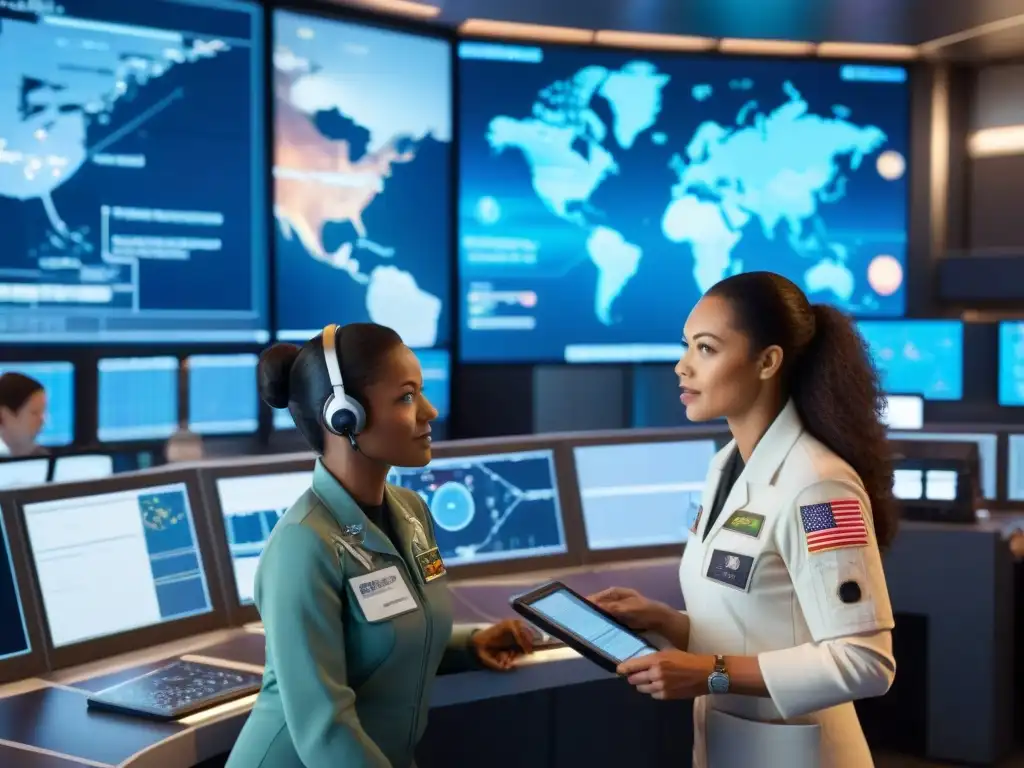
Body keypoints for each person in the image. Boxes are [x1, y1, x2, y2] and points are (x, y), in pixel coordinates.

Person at [592, 272, 897, 768]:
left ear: (767, 362)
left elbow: (867, 663)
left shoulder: (817, 484)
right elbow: (763, 627)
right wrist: (667, 622)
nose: (681, 366)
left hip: (803, 753)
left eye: (706, 349)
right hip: (731, 746)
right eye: (686, 346)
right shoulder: (727, 465)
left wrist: (710, 673)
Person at [227, 323, 533, 768]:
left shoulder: (410, 513)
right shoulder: (302, 546)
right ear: (344, 416)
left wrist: (470, 644)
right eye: (407, 397)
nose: (429, 410)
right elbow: (324, 729)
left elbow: (384, 639)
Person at [0, 372, 48, 457]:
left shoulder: (41, 455)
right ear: (3, 416)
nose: (43, 421)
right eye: (34, 412)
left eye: (43, 412)